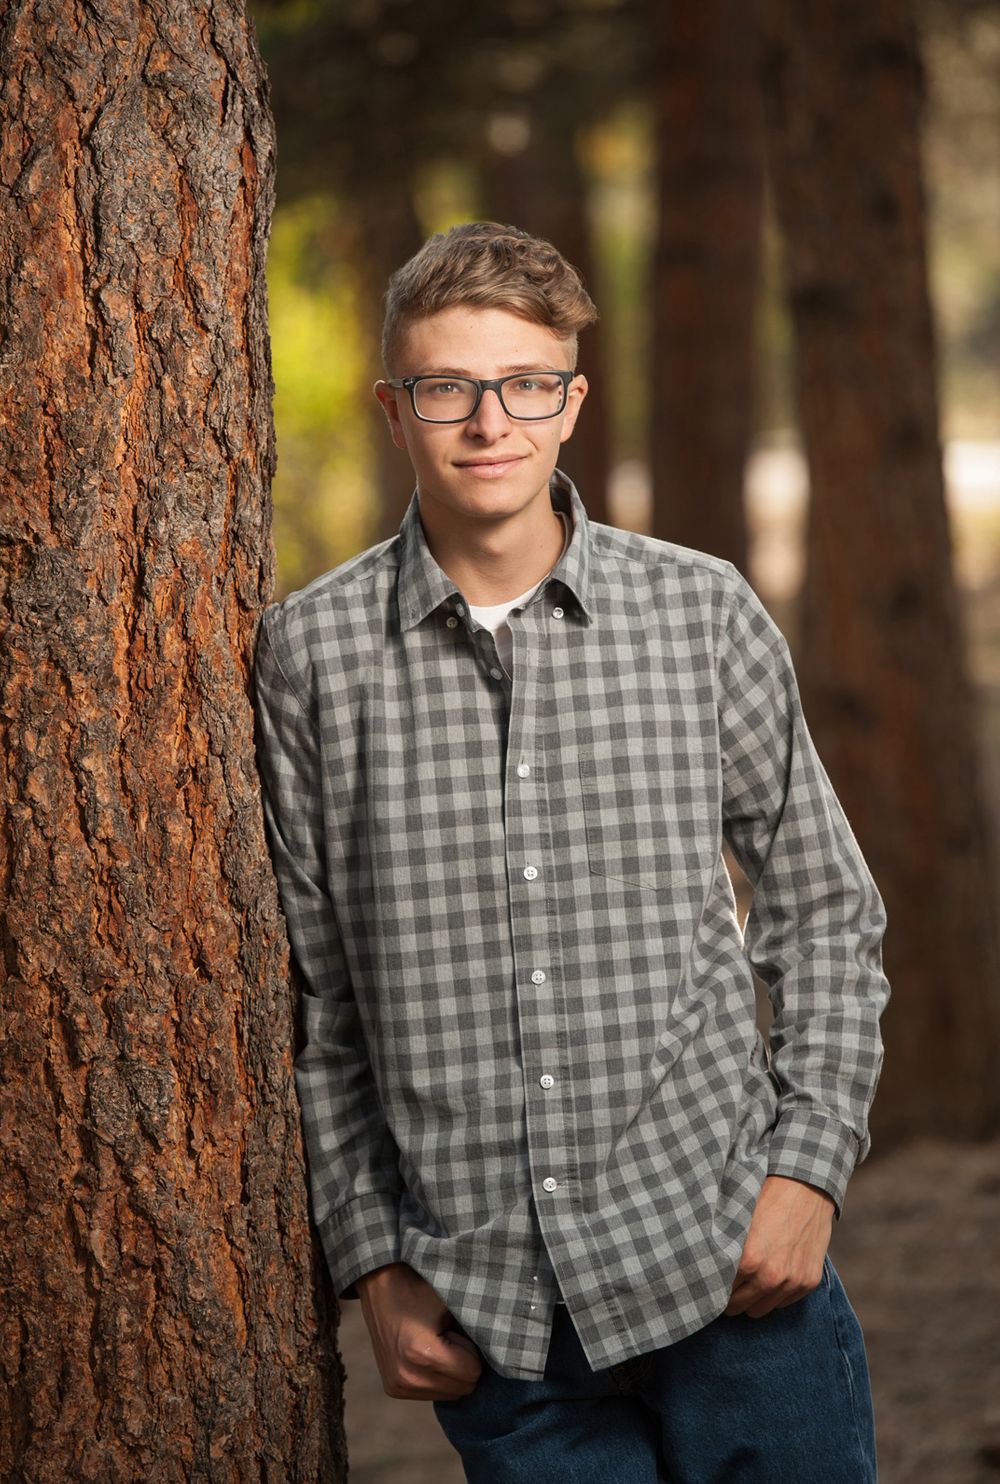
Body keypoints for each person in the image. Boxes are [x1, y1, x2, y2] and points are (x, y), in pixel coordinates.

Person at [252, 221, 890, 1483]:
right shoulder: (309, 657)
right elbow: (316, 995)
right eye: (448, 386)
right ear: (396, 407)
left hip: (727, 1266)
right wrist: (371, 1256)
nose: (489, 420)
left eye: (524, 384)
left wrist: (808, 1172)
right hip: (498, 1324)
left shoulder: (699, 613)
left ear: (570, 401)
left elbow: (821, 906)